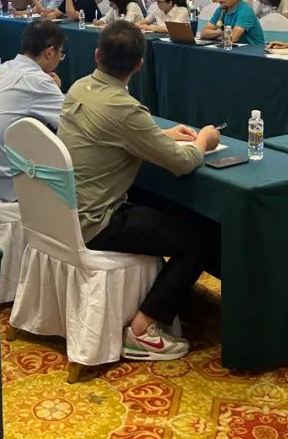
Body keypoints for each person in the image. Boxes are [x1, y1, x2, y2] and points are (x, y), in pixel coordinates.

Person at [58, 21, 220, 361]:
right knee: (201, 238)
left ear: (97, 55)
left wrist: (159, 137)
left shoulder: (79, 88)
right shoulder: (125, 109)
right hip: (98, 222)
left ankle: (170, 298)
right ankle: (143, 329)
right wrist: (204, 140)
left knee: (165, 211)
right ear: (139, 65)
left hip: (67, 211)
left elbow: (113, 136)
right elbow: (183, 163)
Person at [0, 20, 65, 201]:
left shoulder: (1, 69)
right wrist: (57, 89)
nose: (60, 59)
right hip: (9, 187)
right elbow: (73, 123)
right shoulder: (39, 81)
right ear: (50, 52)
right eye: (61, 54)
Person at [200, 0, 265, 46]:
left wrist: (214, 35)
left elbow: (232, 38)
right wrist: (219, 32)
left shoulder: (245, 10)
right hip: (233, 49)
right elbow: (203, 33)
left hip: (253, 51)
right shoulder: (220, 9)